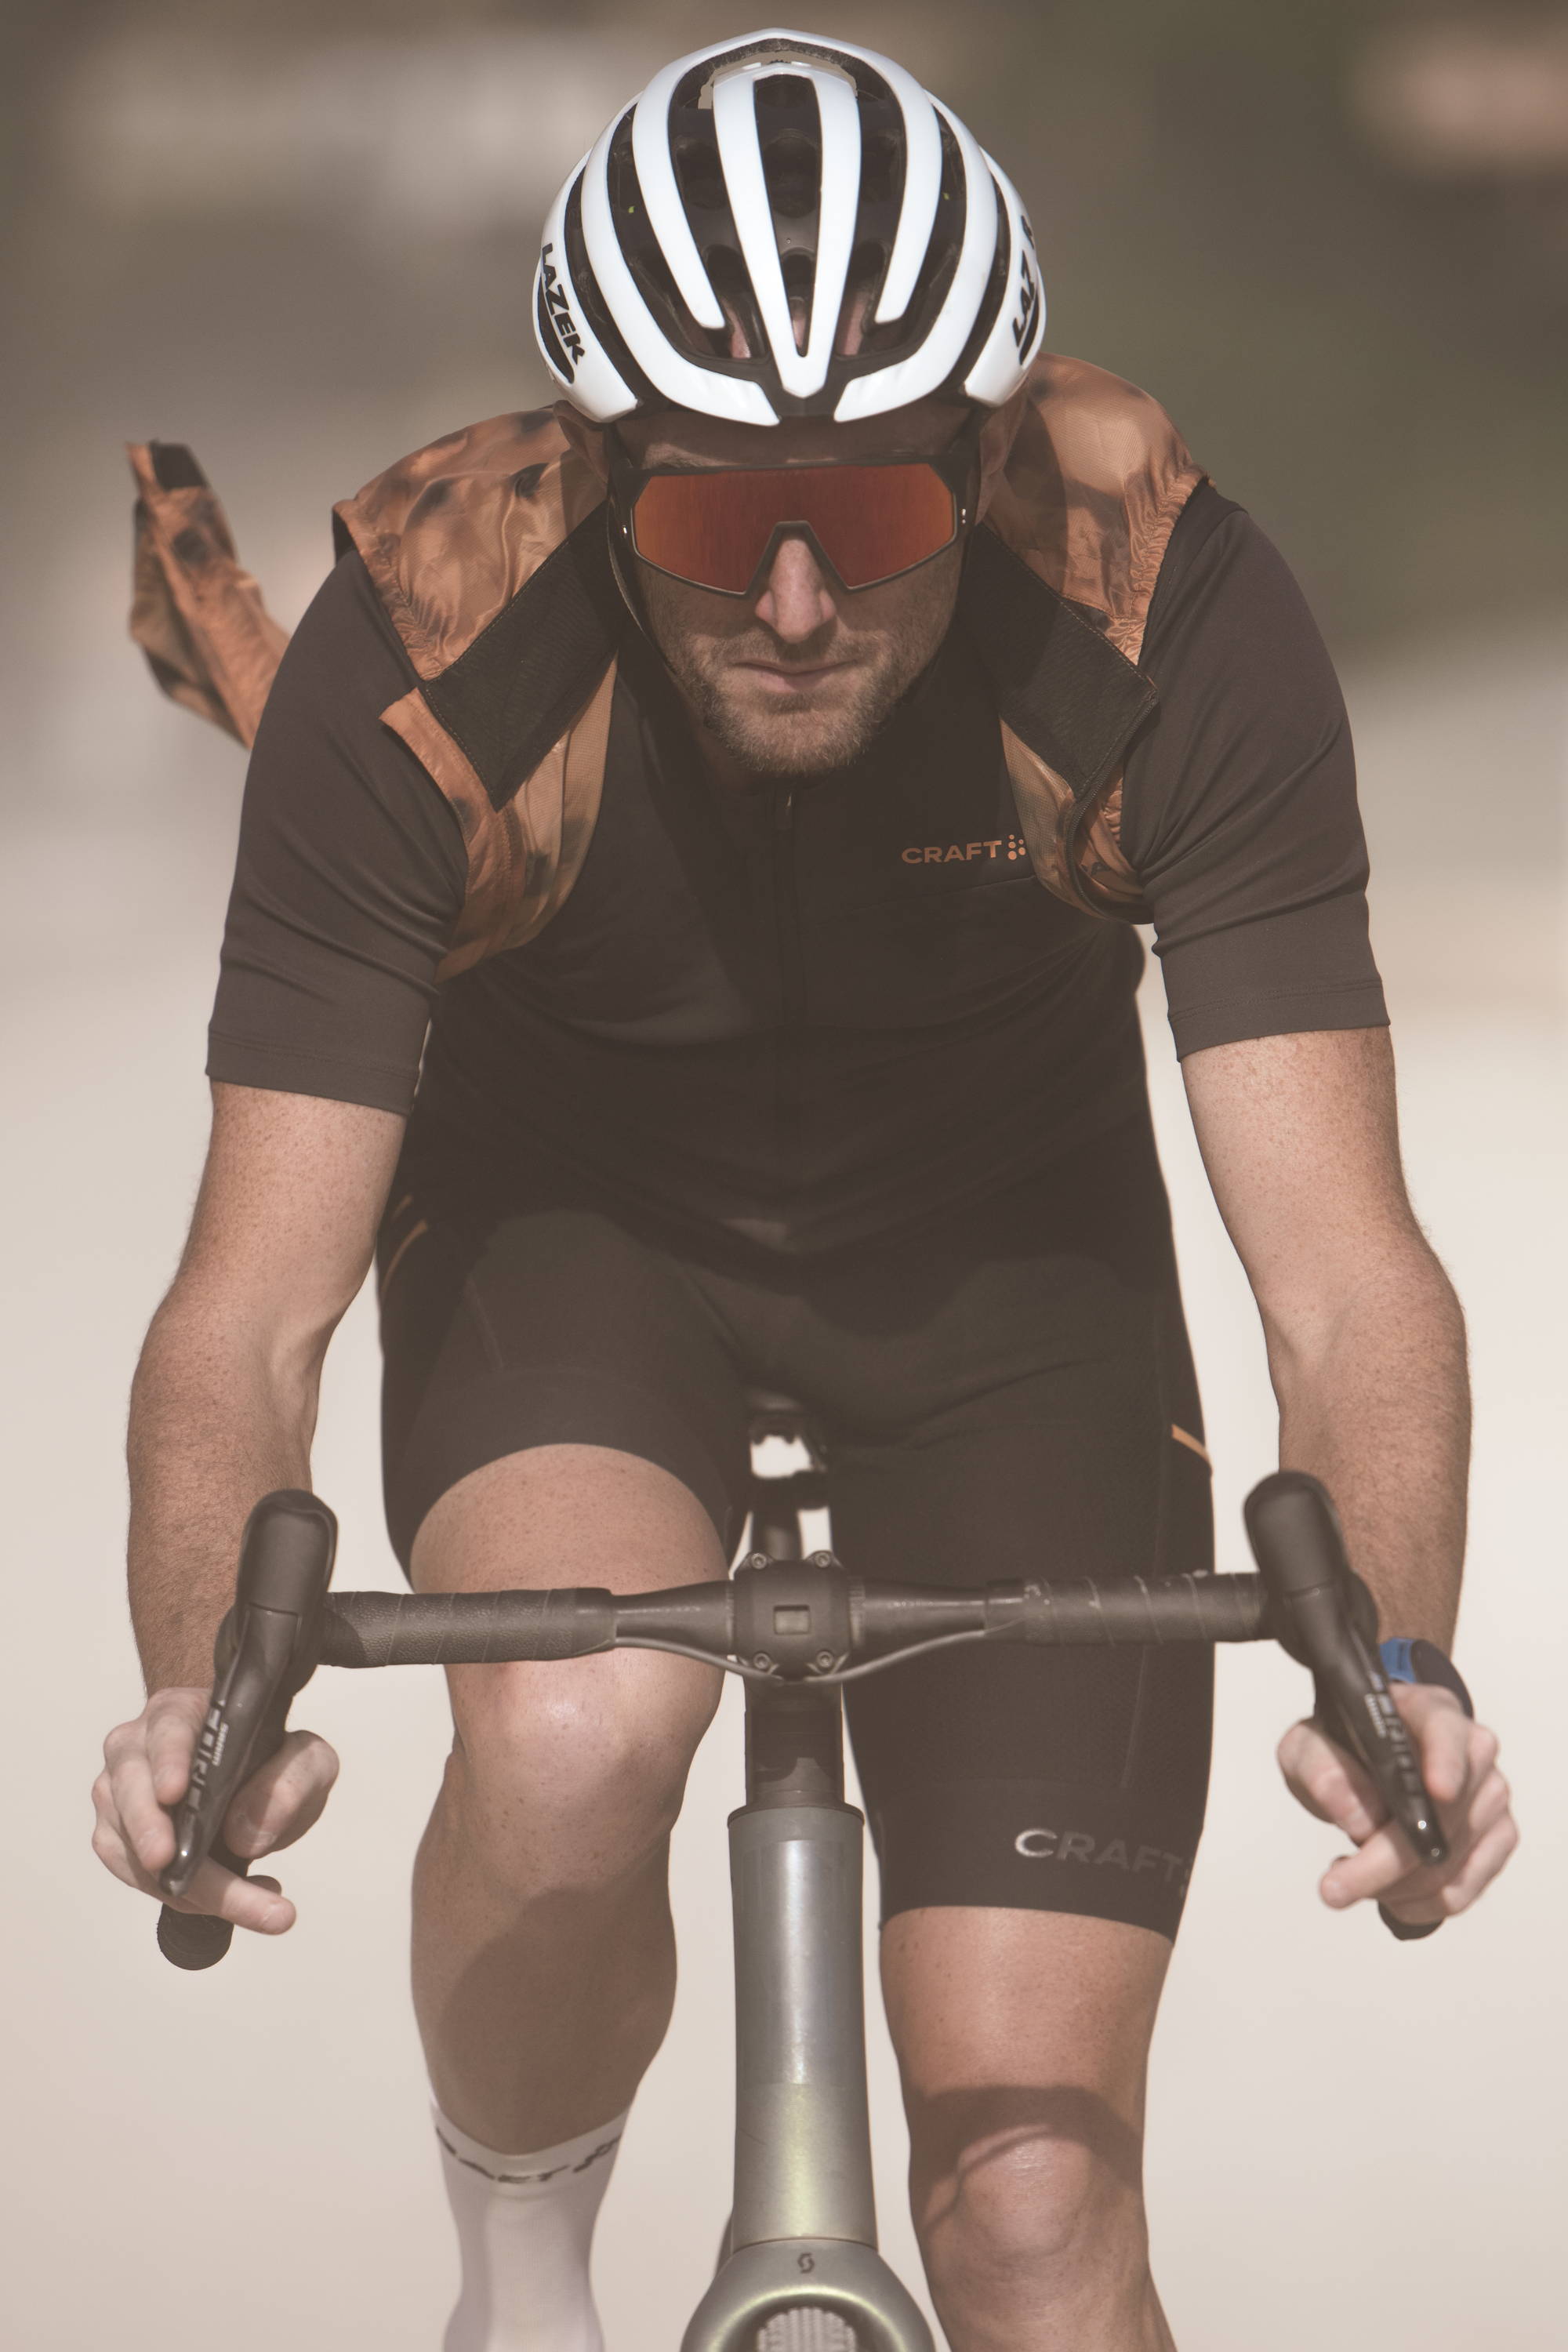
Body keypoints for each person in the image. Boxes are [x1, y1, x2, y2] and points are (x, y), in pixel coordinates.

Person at [93, 29, 1517, 2352]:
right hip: (574, 1233)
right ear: (604, 473)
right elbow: (242, 1320)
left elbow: (1351, 1285)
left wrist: (1408, 1662)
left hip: (1007, 1278)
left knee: (1038, 2215)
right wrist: (189, 1696)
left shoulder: (1175, 609)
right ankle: (521, 2285)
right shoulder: (420, 650)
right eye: (698, 520)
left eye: (863, 521)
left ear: (973, 465)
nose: (783, 601)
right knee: (566, 1735)